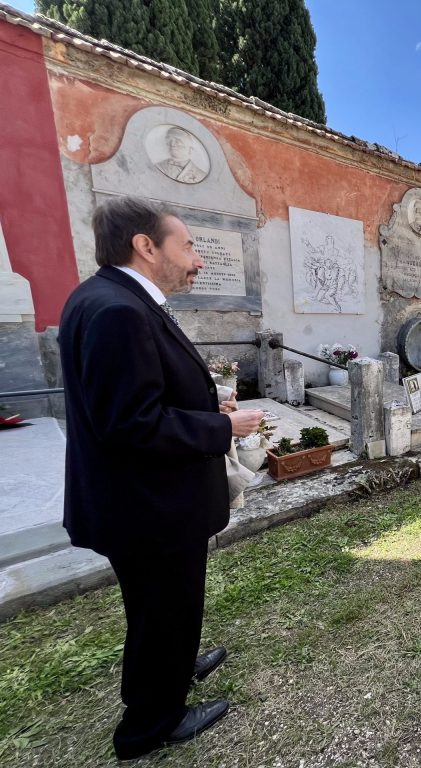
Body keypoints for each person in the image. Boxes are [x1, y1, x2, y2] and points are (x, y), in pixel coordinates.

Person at [59, 197, 265, 760]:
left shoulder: (109, 297)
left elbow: (137, 397)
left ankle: (175, 665)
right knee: (161, 607)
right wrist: (222, 427)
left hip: (144, 501)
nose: (197, 259)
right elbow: (130, 424)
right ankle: (151, 724)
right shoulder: (119, 311)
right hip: (148, 507)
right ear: (145, 246)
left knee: (163, 606)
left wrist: (204, 405)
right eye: (189, 246)